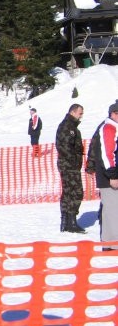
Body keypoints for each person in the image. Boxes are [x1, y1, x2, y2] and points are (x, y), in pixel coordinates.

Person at [89, 100, 118, 249]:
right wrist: (113, 176)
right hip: (109, 177)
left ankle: (108, 242)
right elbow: (107, 155)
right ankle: (113, 244)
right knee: (114, 209)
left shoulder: (112, 127)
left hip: (109, 175)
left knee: (110, 209)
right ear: (114, 114)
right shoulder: (109, 129)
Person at [55, 103, 86, 233]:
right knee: (76, 192)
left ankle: (67, 222)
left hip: (69, 164)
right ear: (73, 112)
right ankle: (70, 222)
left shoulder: (70, 126)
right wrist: (74, 161)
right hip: (69, 165)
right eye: (80, 113)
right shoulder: (68, 127)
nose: (81, 115)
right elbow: (64, 147)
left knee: (68, 192)